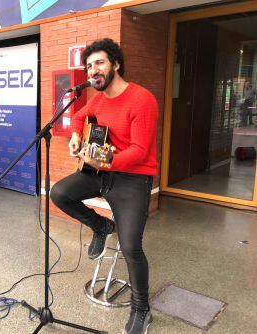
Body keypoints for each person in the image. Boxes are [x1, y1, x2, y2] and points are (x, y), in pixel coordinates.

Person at [50, 38, 158, 334]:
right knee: (59, 193)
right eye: (88, 66)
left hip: (133, 178)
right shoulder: (97, 99)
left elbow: (140, 151)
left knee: (132, 247)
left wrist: (105, 164)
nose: (92, 71)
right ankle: (100, 226)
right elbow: (79, 116)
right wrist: (75, 136)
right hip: (100, 171)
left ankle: (141, 309)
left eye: (99, 63)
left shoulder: (142, 99)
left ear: (116, 64)